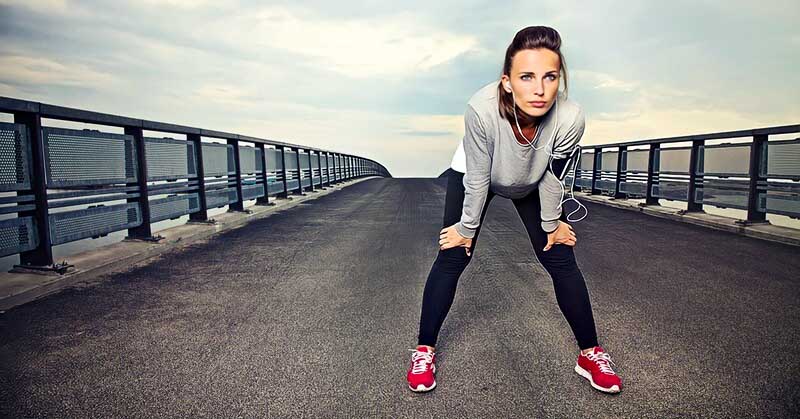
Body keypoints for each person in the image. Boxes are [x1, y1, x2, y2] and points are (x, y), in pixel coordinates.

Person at [406, 26, 622, 394]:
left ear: (560, 79)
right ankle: (424, 350)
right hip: (477, 174)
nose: (539, 89)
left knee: (560, 255)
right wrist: (466, 228)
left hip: (532, 181)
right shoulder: (481, 109)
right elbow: (477, 177)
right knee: (453, 253)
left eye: (549, 77)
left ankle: (590, 353)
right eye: (527, 77)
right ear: (507, 82)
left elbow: (553, 176)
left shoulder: (570, 118)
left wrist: (552, 224)